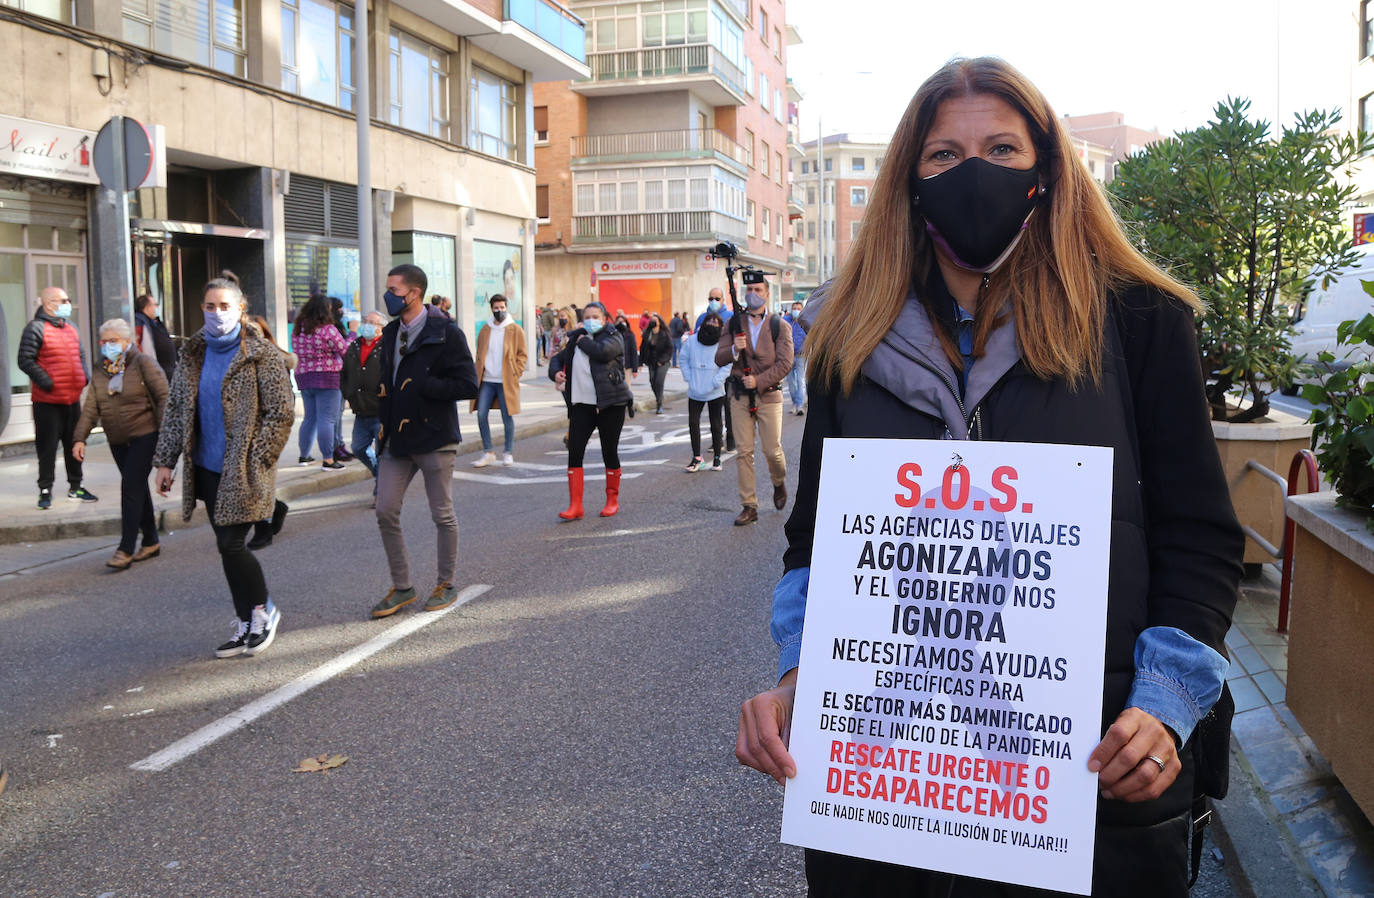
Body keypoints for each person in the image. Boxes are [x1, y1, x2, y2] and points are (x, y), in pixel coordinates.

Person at [734, 58, 1245, 898]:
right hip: (891, 798)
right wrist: (801, 676)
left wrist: (1163, 705)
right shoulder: (848, 336)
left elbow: (1198, 535)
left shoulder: (1139, 317)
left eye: (1003, 148)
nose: (973, 172)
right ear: (911, 178)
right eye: (943, 155)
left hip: (1085, 781)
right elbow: (815, 544)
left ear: (1047, 172)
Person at [154, 271, 292, 658]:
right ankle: (246, 619)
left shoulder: (260, 353)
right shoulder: (193, 353)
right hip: (207, 466)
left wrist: (258, 457)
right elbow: (179, 407)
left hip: (244, 469)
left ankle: (264, 611)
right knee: (224, 545)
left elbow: (281, 412)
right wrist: (165, 462)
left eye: (225, 306)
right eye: (211, 306)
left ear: (241, 309)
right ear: (202, 308)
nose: (217, 314)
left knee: (232, 544)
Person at [368, 264, 479, 619]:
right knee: (385, 509)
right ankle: (402, 587)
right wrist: (381, 429)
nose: (388, 296)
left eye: (393, 290)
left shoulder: (446, 332)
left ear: (413, 293)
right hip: (396, 439)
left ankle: (445, 583)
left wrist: (426, 387)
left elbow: (467, 385)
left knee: (442, 513)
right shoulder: (389, 333)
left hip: (434, 436)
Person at [72, 319, 169, 570]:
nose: (108, 345)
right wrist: (79, 437)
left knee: (130, 487)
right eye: (104, 341)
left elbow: (163, 398)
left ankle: (125, 548)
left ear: (128, 342)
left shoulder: (143, 363)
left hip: (145, 436)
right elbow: (92, 406)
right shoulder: (101, 369)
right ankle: (151, 540)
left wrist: (165, 437)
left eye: (114, 340)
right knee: (137, 488)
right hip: (117, 440)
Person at [715, 276, 792, 526]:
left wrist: (758, 381)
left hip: (769, 395)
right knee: (744, 451)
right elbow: (719, 357)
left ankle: (778, 482)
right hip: (739, 395)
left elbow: (785, 363)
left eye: (758, 289)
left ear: (767, 294)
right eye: (749, 289)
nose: (753, 293)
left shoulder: (780, 325)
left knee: (772, 451)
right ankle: (749, 505)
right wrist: (735, 350)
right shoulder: (734, 322)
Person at [549, 302, 633, 520]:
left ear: (604, 319)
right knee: (575, 452)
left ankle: (612, 501)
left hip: (609, 405)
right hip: (581, 405)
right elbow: (557, 359)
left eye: (595, 316)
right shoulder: (576, 339)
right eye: (587, 316)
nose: (591, 320)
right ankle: (575, 506)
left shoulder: (613, 336)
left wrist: (582, 339)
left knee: (609, 452)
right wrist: (556, 372)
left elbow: (602, 353)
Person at [17, 286, 96, 508]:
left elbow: (80, 354)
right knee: (47, 448)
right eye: (63, 300)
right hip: (47, 402)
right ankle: (45, 490)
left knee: (75, 445)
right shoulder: (35, 329)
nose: (67, 304)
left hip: (72, 400)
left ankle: (76, 486)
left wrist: (84, 377)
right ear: (49, 303)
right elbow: (25, 360)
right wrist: (47, 382)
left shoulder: (71, 328)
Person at [245, 315, 292, 550]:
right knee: (246, 482)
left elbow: (283, 405)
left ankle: (263, 529)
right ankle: (276, 507)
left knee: (258, 481)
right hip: (240, 431)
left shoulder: (274, 359)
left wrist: (269, 438)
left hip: (265, 431)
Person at [292, 295, 350, 469]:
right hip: (328, 376)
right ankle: (328, 459)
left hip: (303, 376)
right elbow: (344, 349)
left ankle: (304, 456)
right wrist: (352, 334)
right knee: (327, 419)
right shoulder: (328, 329)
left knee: (309, 418)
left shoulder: (298, 329)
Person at [471, 294, 528, 467]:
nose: (499, 311)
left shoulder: (514, 329)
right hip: (487, 380)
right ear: (491, 309)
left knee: (507, 416)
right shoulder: (486, 329)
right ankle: (488, 452)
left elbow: (522, 355)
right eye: (496, 308)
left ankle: (508, 452)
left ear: (506, 308)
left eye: (502, 307)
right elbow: (479, 353)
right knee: (481, 414)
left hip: (505, 381)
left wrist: (515, 372)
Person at [679, 310, 731, 473]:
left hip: (715, 389)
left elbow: (728, 363)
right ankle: (697, 457)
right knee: (693, 423)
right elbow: (683, 359)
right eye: (710, 321)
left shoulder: (723, 342)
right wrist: (689, 378)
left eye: (716, 322)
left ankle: (717, 457)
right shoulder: (692, 341)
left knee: (716, 424)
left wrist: (718, 380)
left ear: (721, 326)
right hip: (695, 389)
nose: (712, 324)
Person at [341, 310, 386, 487]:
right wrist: (347, 392)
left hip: (380, 409)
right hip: (360, 409)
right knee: (358, 449)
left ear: (381, 327)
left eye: (372, 322)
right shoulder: (355, 346)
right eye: (365, 321)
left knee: (383, 453)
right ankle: (380, 476)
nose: (367, 325)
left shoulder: (386, 347)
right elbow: (344, 373)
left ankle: (380, 492)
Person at [696, 288, 736, 451]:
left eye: (717, 298)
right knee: (714, 409)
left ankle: (731, 439)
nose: (714, 301)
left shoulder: (731, 317)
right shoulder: (701, 318)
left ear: (723, 300)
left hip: (728, 368)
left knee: (729, 406)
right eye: (711, 298)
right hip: (709, 369)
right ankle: (717, 440)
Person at [134, 293, 178, 383]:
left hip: (167, 369)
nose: (156, 308)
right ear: (147, 307)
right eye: (155, 305)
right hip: (156, 371)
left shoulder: (155, 322)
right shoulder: (139, 323)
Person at [640, 313, 673, 414]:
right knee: (652, 381)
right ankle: (659, 397)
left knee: (659, 381)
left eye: (655, 321)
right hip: (651, 361)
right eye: (652, 321)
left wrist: (662, 360)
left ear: (659, 322)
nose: (653, 322)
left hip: (662, 362)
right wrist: (640, 362)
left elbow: (669, 349)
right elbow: (643, 348)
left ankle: (659, 403)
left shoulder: (664, 334)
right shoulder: (648, 334)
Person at [785, 299, 807, 415]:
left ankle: (799, 405)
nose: (796, 311)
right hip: (788, 357)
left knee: (800, 381)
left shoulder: (805, 322)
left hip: (801, 356)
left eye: (799, 309)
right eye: (794, 309)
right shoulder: (785, 322)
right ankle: (795, 402)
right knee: (791, 382)